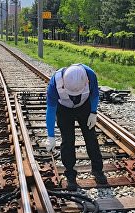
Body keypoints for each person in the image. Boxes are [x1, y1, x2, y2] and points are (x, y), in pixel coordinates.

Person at [45, 63, 107, 191]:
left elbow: (95, 95)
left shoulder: (90, 75)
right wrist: (50, 136)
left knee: (91, 138)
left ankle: (97, 170)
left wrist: (93, 113)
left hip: (84, 107)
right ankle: (70, 174)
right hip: (64, 109)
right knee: (68, 140)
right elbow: (50, 111)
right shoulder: (54, 83)